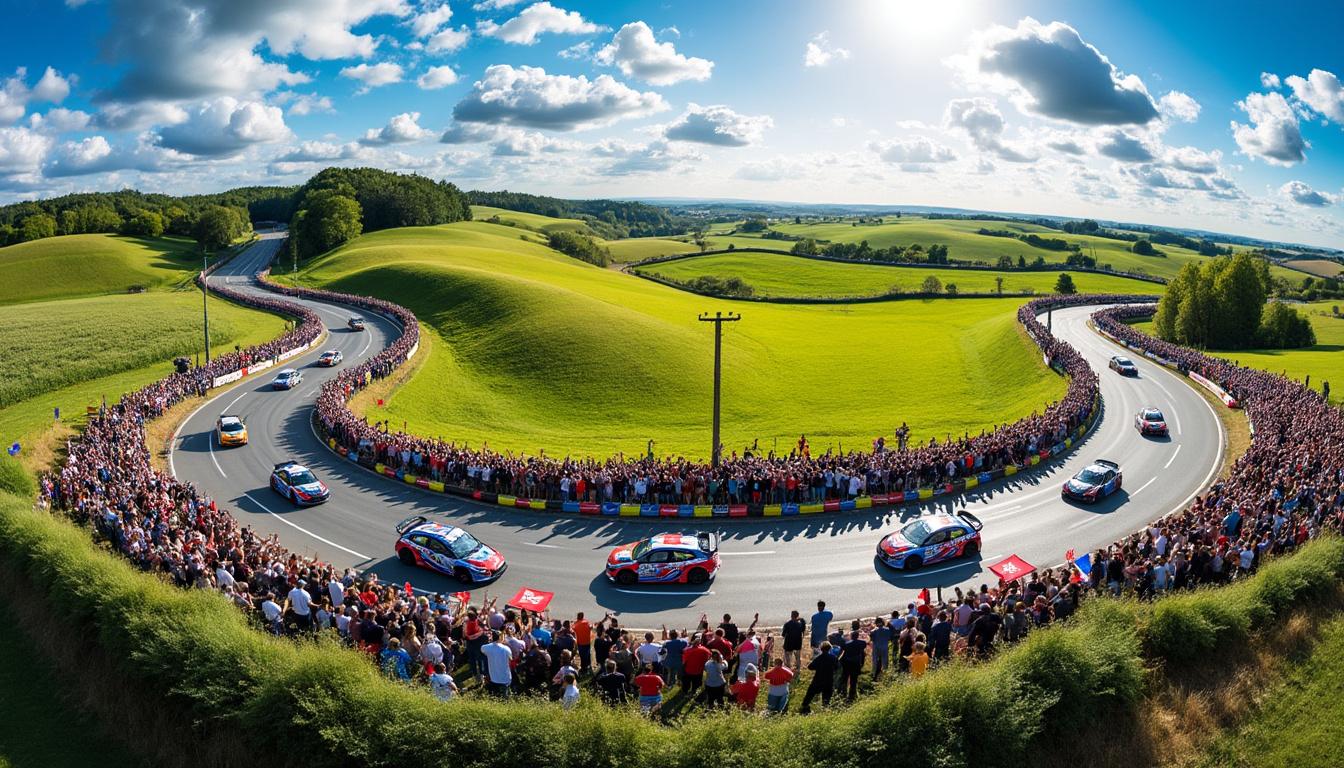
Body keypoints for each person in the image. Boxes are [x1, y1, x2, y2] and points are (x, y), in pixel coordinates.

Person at [800, 641, 837, 714]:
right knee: (826, 697)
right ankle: (825, 710)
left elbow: (810, 667)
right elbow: (836, 667)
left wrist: (818, 667)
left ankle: (805, 706)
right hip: (829, 679)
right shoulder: (833, 657)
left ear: (821, 649)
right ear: (830, 649)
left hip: (818, 679)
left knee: (810, 694)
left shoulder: (819, 658)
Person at [481, 631, 514, 697]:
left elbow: (482, 649)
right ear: (500, 638)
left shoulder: (487, 648)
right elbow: (511, 659)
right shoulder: (506, 649)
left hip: (494, 678)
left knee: (495, 696)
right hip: (505, 677)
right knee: (505, 696)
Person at [839, 630, 867, 700]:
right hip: (856, 663)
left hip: (847, 663)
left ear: (851, 636)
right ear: (857, 636)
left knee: (845, 678)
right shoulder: (862, 643)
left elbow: (842, 648)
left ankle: (843, 693)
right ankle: (852, 695)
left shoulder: (846, 644)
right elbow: (864, 645)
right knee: (853, 680)